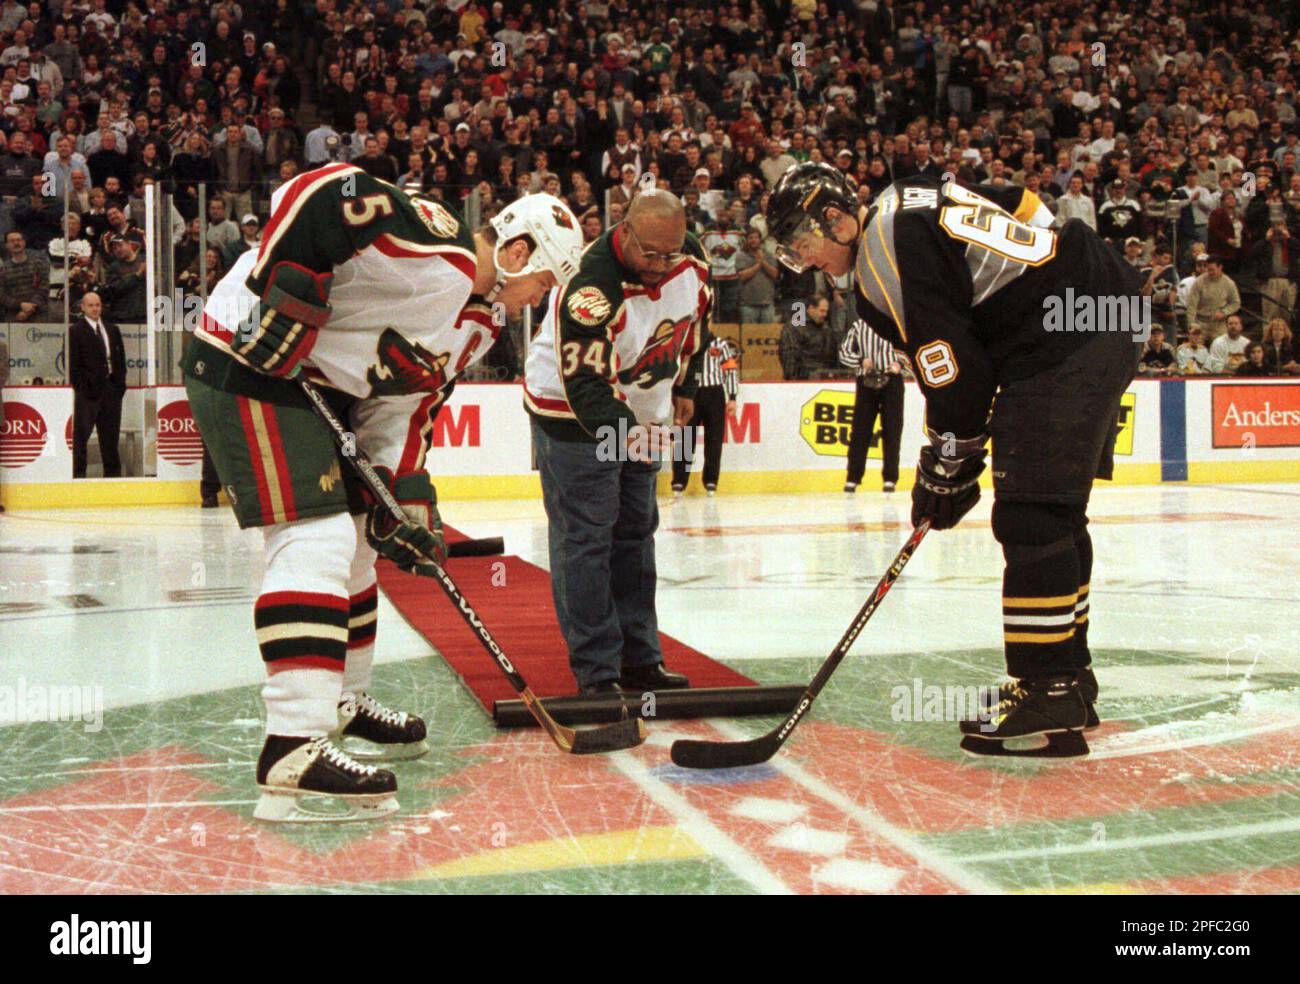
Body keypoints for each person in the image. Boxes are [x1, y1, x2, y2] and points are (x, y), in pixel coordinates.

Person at [182, 164, 583, 821]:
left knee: (362, 544)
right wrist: (293, 294)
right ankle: (292, 746)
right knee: (316, 538)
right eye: (545, 279)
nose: (541, 295)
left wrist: (405, 498)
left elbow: (409, 407)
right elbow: (321, 193)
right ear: (517, 252)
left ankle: (341, 699)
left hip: (317, 389)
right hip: (246, 361)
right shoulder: (443, 249)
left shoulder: (477, 325)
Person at [767, 161, 1146, 758]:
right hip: (1102, 303)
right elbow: (1020, 201)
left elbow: (957, 374)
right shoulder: (908, 195)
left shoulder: (879, 260)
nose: (806, 259)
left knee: (1031, 516)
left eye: (804, 242)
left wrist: (947, 463)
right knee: (1057, 515)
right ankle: (1069, 677)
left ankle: (1048, 686)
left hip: (1064, 334)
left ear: (835, 220)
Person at [524, 188, 708, 696]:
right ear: (623, 230)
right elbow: (585, 386)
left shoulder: (688, 257)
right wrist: (630, 440)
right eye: (649, 253)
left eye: (668, 254)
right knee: (587, 536)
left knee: (635, 534)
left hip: (641, 413)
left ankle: (640, 659)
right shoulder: (590, 284)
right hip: (573, 415)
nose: (659, 265)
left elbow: (697, 321)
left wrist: (686, 386)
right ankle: (598, 669)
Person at [839, 317, 905, 493]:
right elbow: (843, 353)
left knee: (892, 429)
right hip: (866, 380)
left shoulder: (898, 323)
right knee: (861, 429)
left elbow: (912, 350)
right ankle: (853, 477)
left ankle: (890, 478)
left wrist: (900, 363)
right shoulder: (859, 325)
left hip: (892, 380)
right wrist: (861, 361)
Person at [671, 333, 739, 497]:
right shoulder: (685, 344)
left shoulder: (719, 344)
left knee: (714, 439)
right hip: (690, 393)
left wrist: (732, 397)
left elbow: (730, 370)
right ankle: (679, 480)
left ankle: (711, 480)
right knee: (686, 438)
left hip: (714, 393)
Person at [69, 291, 126, 478]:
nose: (95, 309)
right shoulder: (75, 331)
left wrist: (119, 386)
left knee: (110, 440)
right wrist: (82, 387)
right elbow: (73, 364)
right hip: (88, 393)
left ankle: (113, 479)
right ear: (83, 307)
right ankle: (78, 477)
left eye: (98, 305)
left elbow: (120, 361)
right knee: (80, 439)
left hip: (111, 391)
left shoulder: (112, 329)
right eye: (91, 305)